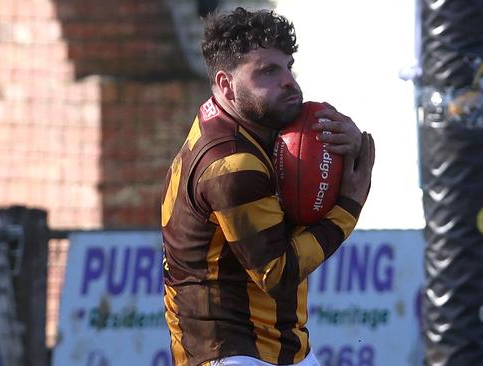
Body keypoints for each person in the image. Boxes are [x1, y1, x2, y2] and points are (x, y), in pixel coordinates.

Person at [160, 7, 374, 366]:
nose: (288, 80)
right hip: (232, 354)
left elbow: (299, 200)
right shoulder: (230, 163)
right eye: (268, 71)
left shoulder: (248, 125)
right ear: (226, 84)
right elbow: (277, 273)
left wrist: (350, 144)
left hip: (281, 349)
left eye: (288, 65)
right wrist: (348, 207)